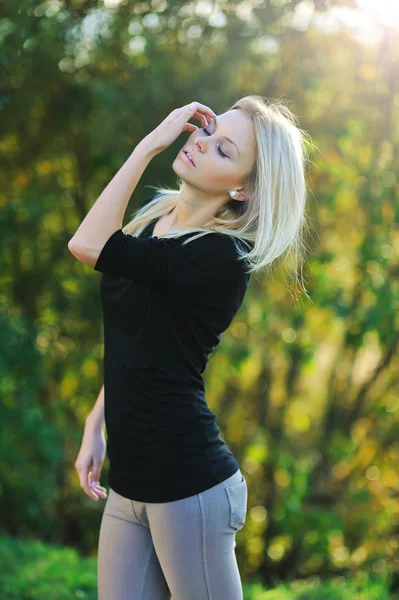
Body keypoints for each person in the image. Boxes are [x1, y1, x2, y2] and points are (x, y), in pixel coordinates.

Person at [69, 96, 312, 599]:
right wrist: (97, 423)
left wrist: (148, 145)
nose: (199, 142)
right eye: (208, 129)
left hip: (189, 486)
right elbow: (135, 342)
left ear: (242, 188)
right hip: (129, 482)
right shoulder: (153, 219)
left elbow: (87, 245)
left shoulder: (218, 257)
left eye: (223, 150)